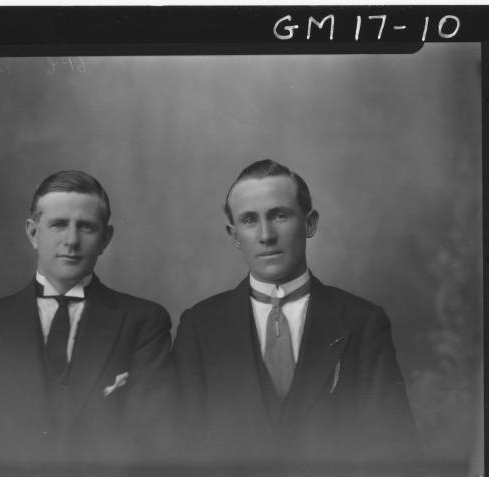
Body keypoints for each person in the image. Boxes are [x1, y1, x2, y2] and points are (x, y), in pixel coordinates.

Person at [172, 159, 421, 475]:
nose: (266, 235)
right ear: (234, 236)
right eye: (250, 220)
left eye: (279, 215)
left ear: (310, 223)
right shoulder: (199, 326)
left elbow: (396, 452)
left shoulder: (363, 321)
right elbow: (178, 452)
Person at [0, 171, 172, 475]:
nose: (71, 240)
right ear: (33, 233)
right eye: (59, 224)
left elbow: (151, 438)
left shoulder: (143, 321)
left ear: (106, 238)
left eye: (86, 227)